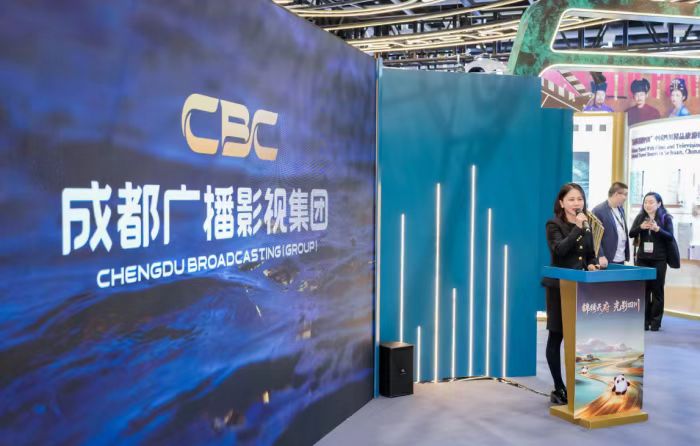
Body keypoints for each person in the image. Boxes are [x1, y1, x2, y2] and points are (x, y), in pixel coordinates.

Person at [543, 183, 600, 405]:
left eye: (580, 199)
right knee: (557, 335)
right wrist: (577, 227)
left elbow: (590, 253)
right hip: (560, 288)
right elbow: (559, 250)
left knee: (582, 337)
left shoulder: (587, 224)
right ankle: (559, 387)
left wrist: (594, 263)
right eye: (572, 199)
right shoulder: (553, 225)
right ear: (562, 203)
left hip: (582, 287)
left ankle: (583, 385)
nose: (577, 203)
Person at [629, 192, 675, 331]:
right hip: (642, 259)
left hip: (659, 259)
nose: (647, 205)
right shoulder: (640, 217)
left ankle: (655, 322)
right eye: (645, 202)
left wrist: (658, 229)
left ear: (659, 204)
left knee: (657, 291)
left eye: (651, 202)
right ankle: (644, 321)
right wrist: (641, 227)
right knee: (643, 290)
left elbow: (670, 237)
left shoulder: (665, 218)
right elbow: (631, 233)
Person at [592, 182, 630, 268]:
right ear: (616, 194)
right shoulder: (598, 210)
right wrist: (600, 255)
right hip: (606, 259)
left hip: (621, 257)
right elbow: (594, 236)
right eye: (625, 194)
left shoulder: (621, 209)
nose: (626, 198)